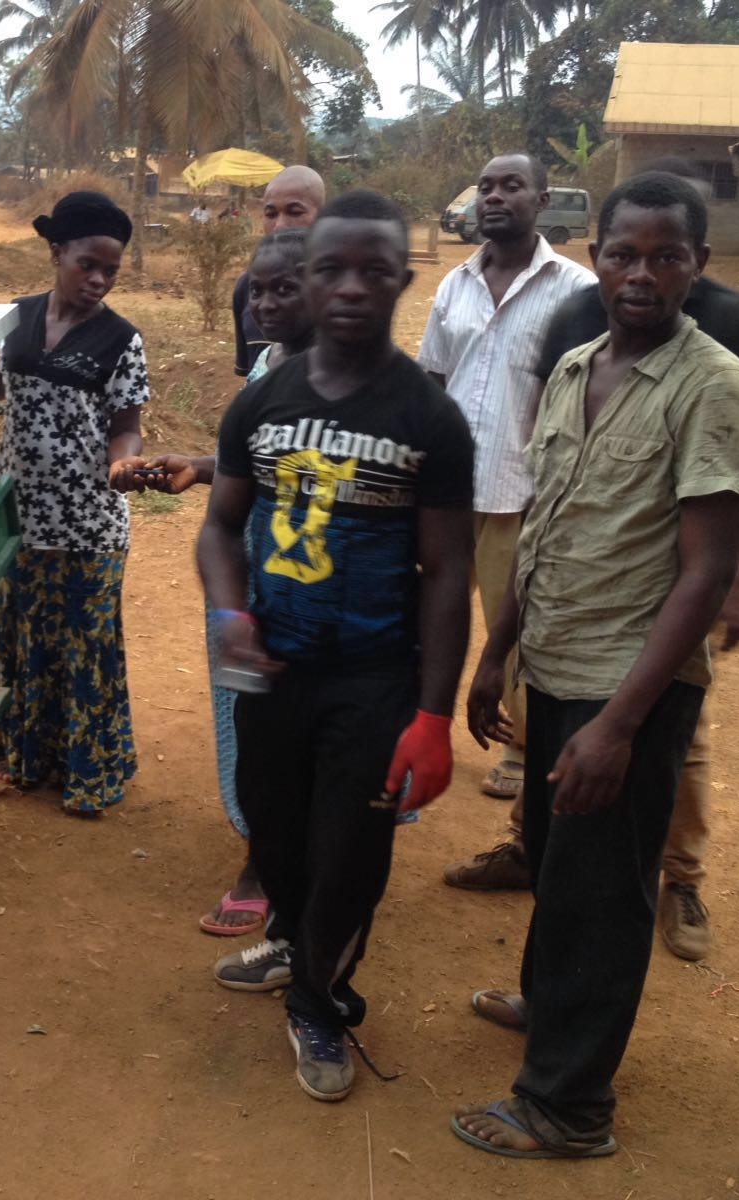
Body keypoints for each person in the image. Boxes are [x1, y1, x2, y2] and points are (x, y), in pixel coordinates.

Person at [451, 172, 739, 1158]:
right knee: (558, 865)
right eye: (623, 254)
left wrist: (621, 724)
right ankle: (552, 1009)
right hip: (551, 665)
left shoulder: (717, 390)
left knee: (602, 890)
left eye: (664, 257)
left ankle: (568, 1106)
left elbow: (706, 573)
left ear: (698, 268)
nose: (640, 274)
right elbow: (543, 525)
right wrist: (494, 652)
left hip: (626, 687)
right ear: (595, 257)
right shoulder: (573, 366)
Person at [198, 191, 474, 1102]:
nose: (352, 289)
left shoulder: (430, 419)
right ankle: (292, 938)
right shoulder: (262, 402)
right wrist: (233, 614)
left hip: (373, 676)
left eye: (374, 272)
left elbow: (446, 575)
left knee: (351, 852)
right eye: (332, 271)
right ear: (304, 279)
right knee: (272, 830)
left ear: (403, 280)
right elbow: (219, 527)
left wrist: (433, 715)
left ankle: (321, 999)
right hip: (272, 666)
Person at [118, 230, 315, 939]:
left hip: (308, 578)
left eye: (281, 289)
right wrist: (199, 466)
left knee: (301, 724)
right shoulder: (267, 366)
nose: (261, 305)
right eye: (255, 291)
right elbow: (256, 461)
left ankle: (277, 874)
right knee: (254, 720)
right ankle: (264, 856)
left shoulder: (347, 381)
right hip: (253, 566)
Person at [0, 191, 148, 816]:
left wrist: (122, 463)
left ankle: (90, 774)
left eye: (110, 271)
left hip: (89, 524)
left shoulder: (121, 339)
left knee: (85, 649)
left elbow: (127, 423)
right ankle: (24, 757)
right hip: (20, 518)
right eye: (88, 264)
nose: (98, 280)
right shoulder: (18, 318)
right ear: (57, 252)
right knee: (26, 636)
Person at [415, 152, 596, 806]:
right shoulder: (454, 285)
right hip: (446, 493)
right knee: (431, 613)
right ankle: (422, 723)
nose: (494, 197)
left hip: (524, 490)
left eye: (511, 186)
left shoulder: (576, 291)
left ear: (541, 200)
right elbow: (432, 380)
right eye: (485, 185)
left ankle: (521, 746)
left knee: (514, 625)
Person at [232, 165, 326, 376]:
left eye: (294, 212)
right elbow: (250, 377)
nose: (280, 225)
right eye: (271, 214)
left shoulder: (339, 291)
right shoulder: (246, 289)